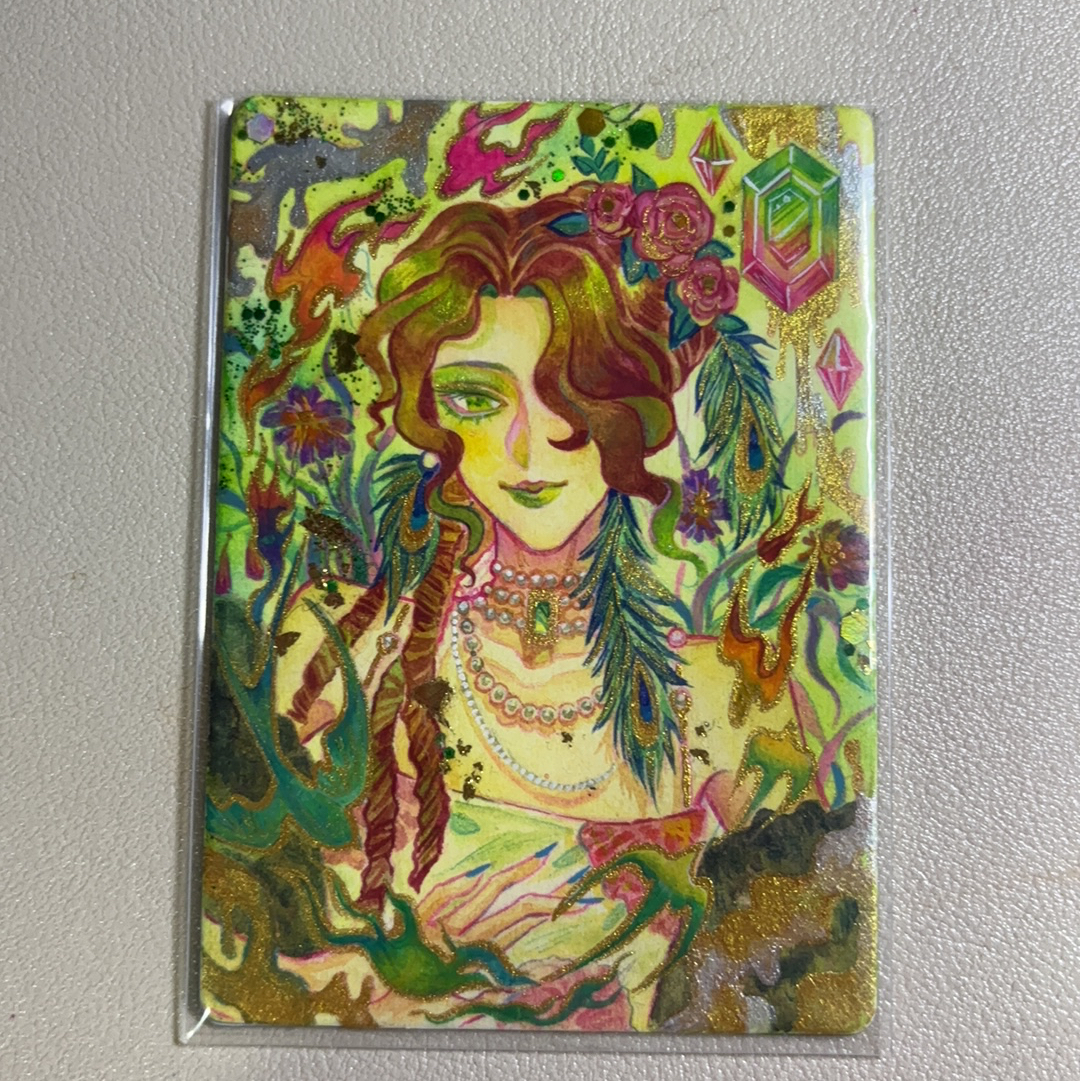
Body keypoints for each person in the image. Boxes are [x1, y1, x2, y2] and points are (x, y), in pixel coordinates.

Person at [266, 188, 789, 1030]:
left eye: (569, 394)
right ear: (430, 416)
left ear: (633, 412)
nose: (527, 444)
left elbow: (778, 987)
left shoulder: (720, 695)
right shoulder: (338, 649)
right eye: (478, 399)